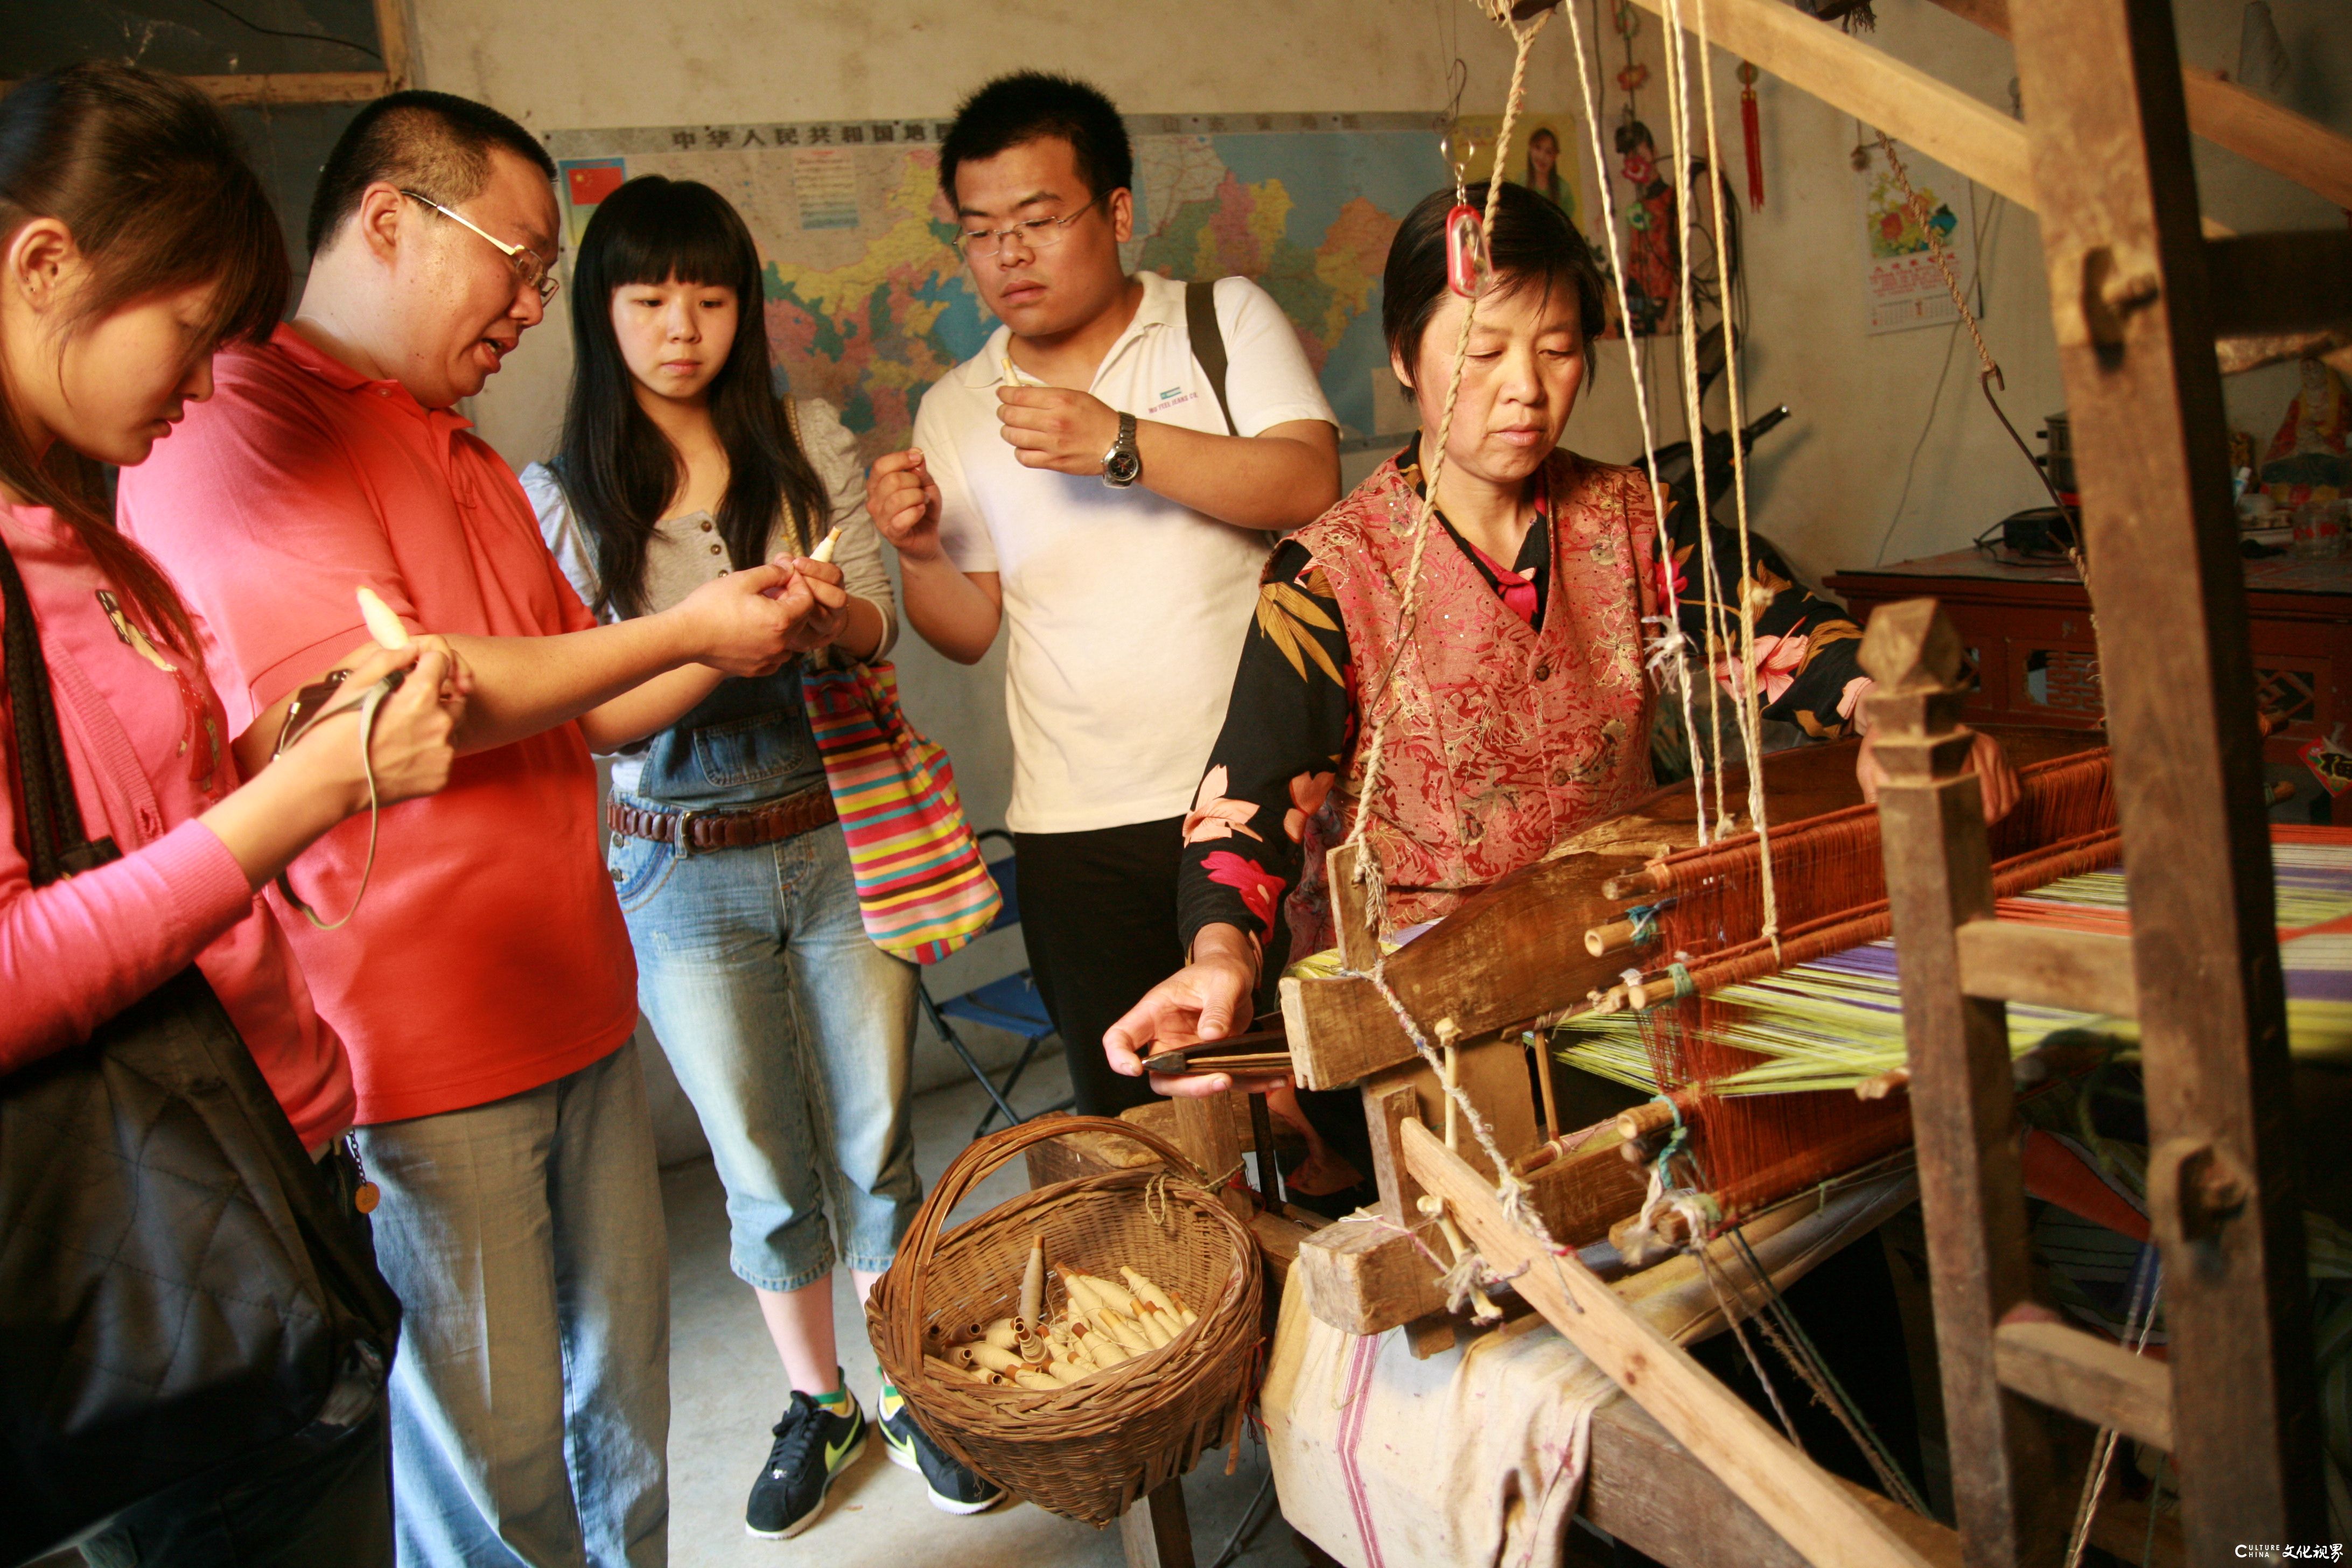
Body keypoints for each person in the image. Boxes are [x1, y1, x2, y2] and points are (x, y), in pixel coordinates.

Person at [118, 92, 830, 1568]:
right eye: (517, 260)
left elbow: (594, 701)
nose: (530, 305)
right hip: (419, 1058)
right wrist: (682, 626)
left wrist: (739, 633)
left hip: (575, 1000)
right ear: (388, 219)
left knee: (623, 1429)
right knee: (497, 1480)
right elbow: (412, 697)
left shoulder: (457, 450)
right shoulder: (244, 417)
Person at [1102, 181, 2018, 1093]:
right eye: (1484, 351)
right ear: (1405, 358)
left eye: (1558, 350)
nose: (1526, 391)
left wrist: (1894, 716)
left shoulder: (1636, 522)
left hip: (1628, 966)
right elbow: (1249, 808)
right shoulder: (1330, 578)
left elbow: (1784, 635)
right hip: (1435, 1021)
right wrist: (1220, 956)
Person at [0, 64, 465, 1565]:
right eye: (189, 336)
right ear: (45, 264)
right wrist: (296, 804)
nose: (200, 389)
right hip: (151, 1237)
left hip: (269, 1150)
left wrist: (302, 740)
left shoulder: (77, 527)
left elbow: (145, 815)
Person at [520, 174, 1001, 1537]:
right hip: (676, 861)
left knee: (872, 1137)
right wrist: (711, 635)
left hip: (837, 827)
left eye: (713, 297)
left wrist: (821, 619)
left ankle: (904, 1382)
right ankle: (818, 1399)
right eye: (650, 297)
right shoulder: (560, 497)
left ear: (747, 309)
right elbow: (598, 712)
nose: (684, 327)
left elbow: (876, 633)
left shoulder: (804, 437)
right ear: (600, 312)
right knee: (758, 1161)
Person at [869, 72, 1342, 1119]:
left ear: (1117, 211)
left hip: (1263, 803)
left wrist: (1117, 443)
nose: (1010, 254)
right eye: (982, 231)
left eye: (1038, 220)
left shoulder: (1218, 321)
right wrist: (916, 553)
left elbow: (1308, 482)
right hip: (1075, 832)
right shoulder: (955, 407)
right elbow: (967, 630)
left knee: (1317, 1106)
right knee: (1142, 1132)